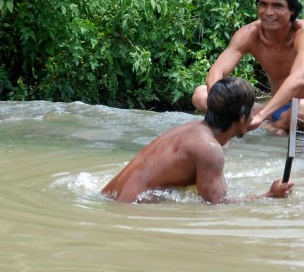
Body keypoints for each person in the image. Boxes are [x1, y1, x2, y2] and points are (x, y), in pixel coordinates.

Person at [103, 77, 293, 204]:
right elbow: (216, 204)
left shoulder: (194, 129)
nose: (254, 117)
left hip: (109, 198)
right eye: (252, 111)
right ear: (242, 117)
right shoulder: (209, 149)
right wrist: (269, 196)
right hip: (129, 211)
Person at [192, 0, 304, 134]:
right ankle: (274, 126)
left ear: (292, 9)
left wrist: (259, 117)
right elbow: (217, 71)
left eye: (277, 6)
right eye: (263, 4)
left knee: (303, 109)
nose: (268, 12)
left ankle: (271, 126)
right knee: (201, 94)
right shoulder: (250, 33)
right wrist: (218, 109)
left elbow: (297, 80)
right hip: (272, 111)